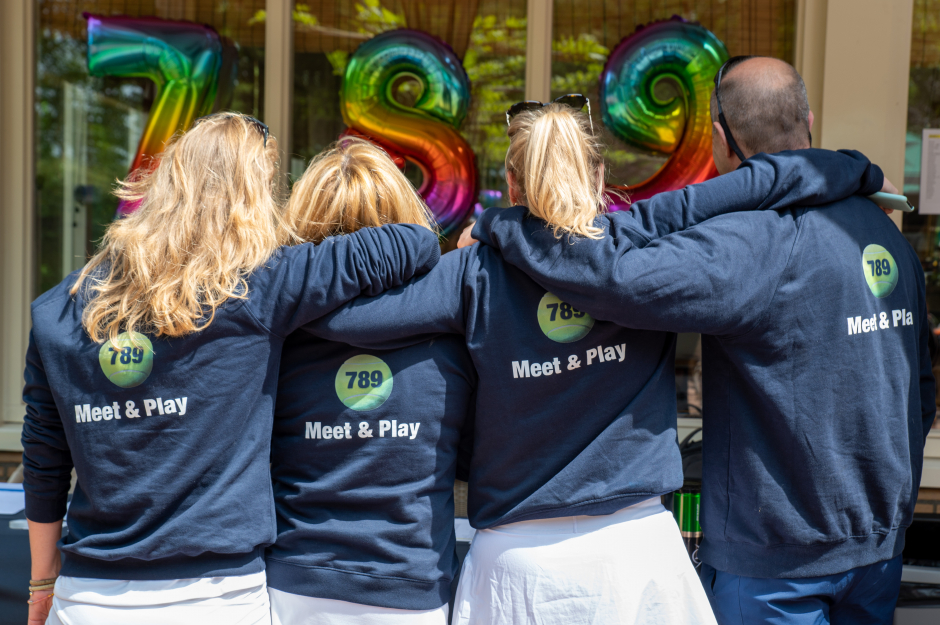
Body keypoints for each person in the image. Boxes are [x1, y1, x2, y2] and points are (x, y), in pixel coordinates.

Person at [313, 100, 885, 625]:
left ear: (511, 182)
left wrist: (459, 233)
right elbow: (755, 184)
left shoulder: (472, 274)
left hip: (515, 566)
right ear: (599, 177)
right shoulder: (642, 243)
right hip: (635, 556)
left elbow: (348, 318)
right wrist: (855, 171)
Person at [468, 57, 932, 625]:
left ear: (720, 138)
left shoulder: (752, 244)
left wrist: (504, 224)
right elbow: (921, 388)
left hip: (776, 564)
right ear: (808, 120)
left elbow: (610, 275)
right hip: (879, 550)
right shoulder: (883, 230)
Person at [21, 114, 440, 625]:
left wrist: (42, 581)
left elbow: (43, 459)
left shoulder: (57, 311)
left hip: (89, 598)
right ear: (251, 196)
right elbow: (412, 242)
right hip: (216, 598)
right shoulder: (258, 288)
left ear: (163, 182)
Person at [265, 138, 475, 625]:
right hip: (411, 587)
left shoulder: (275, 335)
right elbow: (473, 458)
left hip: (294, 586)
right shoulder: (451, 335)